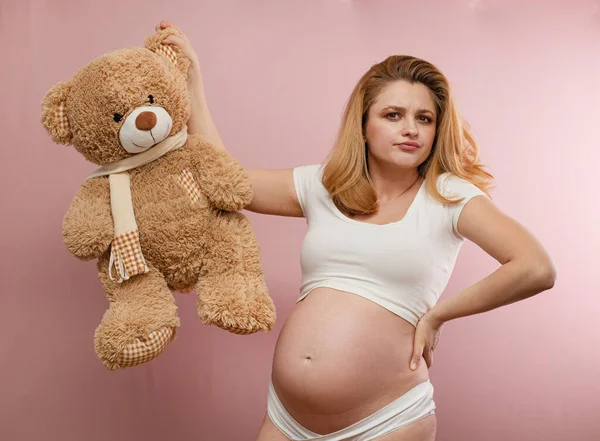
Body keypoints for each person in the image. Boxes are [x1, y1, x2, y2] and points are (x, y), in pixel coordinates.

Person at [154, 21, 556, 441]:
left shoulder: (448, 195)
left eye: (425, 118)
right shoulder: (324, 186)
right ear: (364, 126)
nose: (411, 129)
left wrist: (439, 314)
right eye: (393, 115)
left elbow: (536, 267)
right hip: (286, 417)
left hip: (387, 420)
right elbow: (225, 180)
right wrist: (192, 83)